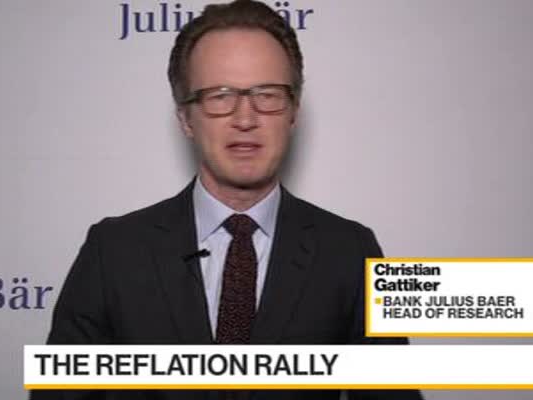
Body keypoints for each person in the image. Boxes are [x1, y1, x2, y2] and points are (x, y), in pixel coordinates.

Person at [31, 1, 422, 399]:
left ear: (293, 112)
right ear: (185, 118)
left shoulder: (351, 251)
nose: (245, 119)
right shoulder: (112, 251)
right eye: (219, 96)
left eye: (267, 95)